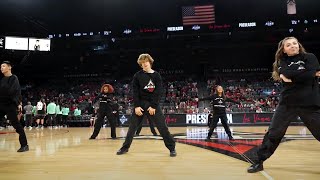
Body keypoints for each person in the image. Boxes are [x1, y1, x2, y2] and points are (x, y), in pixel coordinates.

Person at [247, 37, 320, 173]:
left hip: (309, 103)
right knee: (274, 133)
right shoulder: (282, 61)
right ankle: (259, 161)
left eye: (294, 43)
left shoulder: (310, 57)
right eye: (288, 45)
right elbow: (301, 74)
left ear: (298, 45)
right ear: (284, 50)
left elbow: (312, 73)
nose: (292, 46)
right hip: (287, 103)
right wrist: (308, 74)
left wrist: (294, 77)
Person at [116, 53, 176, 157]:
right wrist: (136, 106)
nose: (144, 64)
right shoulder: (137, 76)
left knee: (162, 127)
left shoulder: (156, 75)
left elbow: (158, 92)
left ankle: (172, 148)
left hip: (153, 105)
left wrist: (153, 106)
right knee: (132, 127)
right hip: (140, 105)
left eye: (146, 62)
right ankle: (125, 147)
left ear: (150, 62)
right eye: (142, 63)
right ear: (140, 64)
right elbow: (135, 92)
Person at [0, 61, 29, 152]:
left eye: (3, 66)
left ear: (9, 67)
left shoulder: (14, 78)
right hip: (1, 104)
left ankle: (24, 145)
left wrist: (19, 103)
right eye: (1, 66)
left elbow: (15, 92)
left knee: (16, 125)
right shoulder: (2, 80)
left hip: (10, 105)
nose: (1, 68)